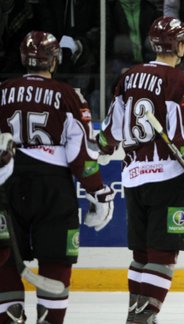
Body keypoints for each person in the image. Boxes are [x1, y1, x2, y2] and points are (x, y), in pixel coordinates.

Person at [97, 16, 184, 323]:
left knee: (141, 254)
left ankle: (137, 313)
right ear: (180, 45)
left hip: (132, 178)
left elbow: (109, 132)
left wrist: (100, 151)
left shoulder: (127, 77)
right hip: (169, 179)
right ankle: (145, 315)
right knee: (163, 254)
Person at [0, 31, 115, 324]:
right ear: (54, 60)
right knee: (56, 260)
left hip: (6, 185)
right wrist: (97, 191)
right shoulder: (68, 95)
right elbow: (82, 152)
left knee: (4, 259)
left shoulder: (2, 91)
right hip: (52, 188)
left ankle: (9, 316)